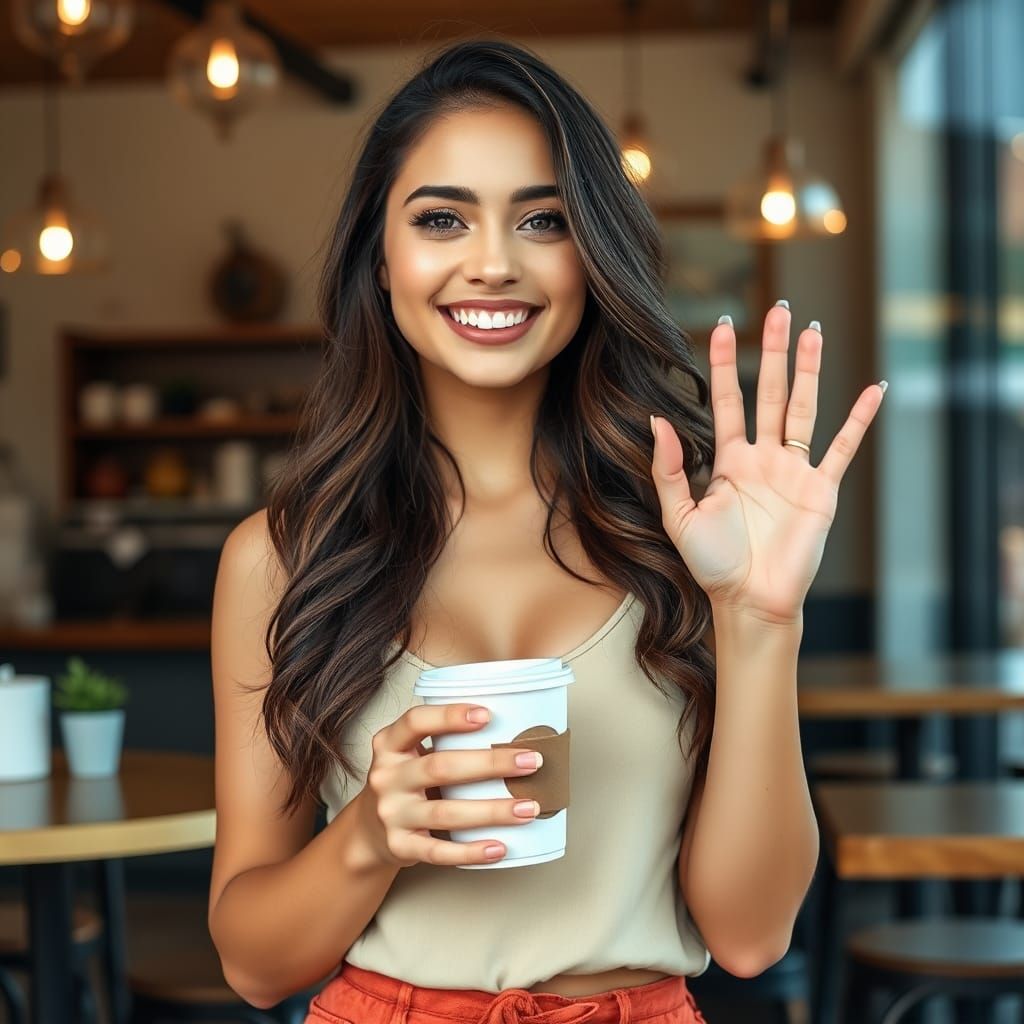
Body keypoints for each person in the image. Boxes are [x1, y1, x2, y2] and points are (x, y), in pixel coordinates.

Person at [207, 37, 885, 1024]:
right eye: (441, 218)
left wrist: (759, 617)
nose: (492, 263)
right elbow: (254, 964)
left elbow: (748, 937)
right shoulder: (279, 558)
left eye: (543, 219)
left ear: (592, 256)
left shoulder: (691, 533)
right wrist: (369, 833)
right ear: (380, 258)